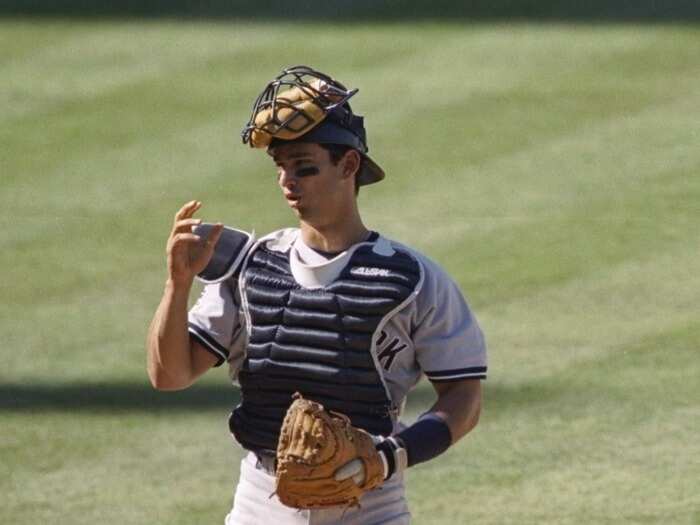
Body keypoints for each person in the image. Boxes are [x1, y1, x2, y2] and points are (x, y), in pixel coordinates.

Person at [146, 65, 487, 525]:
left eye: (304, 167)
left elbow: (464, 397)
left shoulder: (410, 279)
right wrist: (177, 284)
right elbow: (170, 375)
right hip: (260, 505)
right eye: (281, 167)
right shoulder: (250, 267)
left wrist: (392, 456)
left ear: (349, 166)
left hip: (371, 505)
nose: (289, 181)